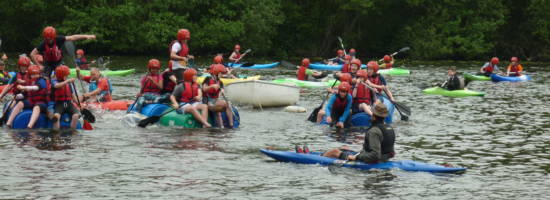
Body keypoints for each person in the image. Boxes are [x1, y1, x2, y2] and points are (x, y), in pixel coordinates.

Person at [321, 103, 395, 164]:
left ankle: (318, 158)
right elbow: (391, 152)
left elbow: (375, 155)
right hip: (384, 159)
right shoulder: (390, 128)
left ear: (374, 116)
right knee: (344, 148)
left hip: (371, 161)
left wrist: (356, 157)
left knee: (334, 152)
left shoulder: (374, 131)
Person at [30, 26, 96, 77]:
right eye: (47, 39)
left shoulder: (58, 39)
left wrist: (86, 36)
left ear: (53, 36)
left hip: (59, 63)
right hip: (48, 64)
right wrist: (39, 65)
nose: (49, 40)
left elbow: (73, 37)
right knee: (46, 78)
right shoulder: (43, 44)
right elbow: (32, 54)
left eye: (50, 38)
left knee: (63, 76)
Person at [51, 65, 80, 129]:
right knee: (56, 117)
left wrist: (79, 104)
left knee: (76, 115)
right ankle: (56, 134)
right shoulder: (54, 81)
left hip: (69, 103)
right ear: (61, 76)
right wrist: (67, 81)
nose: (67, 77)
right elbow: (56, 86)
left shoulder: (68, 84)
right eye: (66, 75)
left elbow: (73, 96)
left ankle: (72, 131)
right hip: (59, 104)